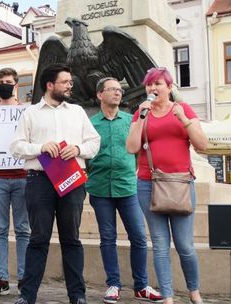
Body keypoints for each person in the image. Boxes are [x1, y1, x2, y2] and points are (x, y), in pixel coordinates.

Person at [10, 63, 100, 304]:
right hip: (39, 180)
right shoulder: (30, 113)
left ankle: (77, 296)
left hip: (72, 179)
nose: (70, 86)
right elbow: (16, 147)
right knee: (38, 238)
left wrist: (78, 148)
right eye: (65, 82)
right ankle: (27, 296)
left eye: (70, 82)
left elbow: (95, 142)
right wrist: (39, 148)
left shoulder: (77, 112)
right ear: (50, 85)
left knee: (71, 238)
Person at [126, 67, 208, 304]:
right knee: (160, 244)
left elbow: (202, 144)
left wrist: (183, 119)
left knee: (185, 245)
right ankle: (168, 297)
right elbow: (132, 147)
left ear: (169, 88)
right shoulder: (141, 113)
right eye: (149, 85)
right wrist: (140, 117)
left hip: (181, 184)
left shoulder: (182, 110)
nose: (153, 88)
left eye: (158, 84)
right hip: (148, 184)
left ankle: (194, 292)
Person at [86, 77, 163, 303]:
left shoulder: (132, 121)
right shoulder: (90, 124)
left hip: (128, 187)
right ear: (100, 94)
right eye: (112, 90)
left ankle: (141, 286)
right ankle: (113, 284)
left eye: (120, 90)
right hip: (100, 189)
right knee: (107, 238)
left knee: (139, 237)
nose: (118, 93)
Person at [0, 68, 30, 299]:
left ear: (16, 85)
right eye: (0, 82)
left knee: (23, 229)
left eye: (8, 82)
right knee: (0, 229)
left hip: (22, 177)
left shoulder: (27, 112)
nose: (4, 85)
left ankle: (24, 278)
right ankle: (2, 279)